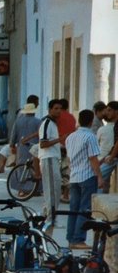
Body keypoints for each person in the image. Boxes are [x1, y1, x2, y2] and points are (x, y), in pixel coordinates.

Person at [64, 109, 107, 249]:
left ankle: (71, 238)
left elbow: (70, 159)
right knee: (85, 209)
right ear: (90, 121)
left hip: (75, 176)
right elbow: (93, 158)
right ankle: (78, 239)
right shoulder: (90, 137)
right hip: (87, 176)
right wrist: (100, 177)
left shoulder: (71, 137)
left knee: (73, 209)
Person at [38, 99, 65, 234]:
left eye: (60, 108)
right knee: (52, 190)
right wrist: (59, 140)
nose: (58, 111)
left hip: (53, 158)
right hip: (48, 159)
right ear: (49, 109)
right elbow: (43, 143)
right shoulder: (47, 123)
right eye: (56, 108)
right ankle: (51, 218)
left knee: (56, 189)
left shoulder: (53, 124)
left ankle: (46, 215)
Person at [9, 101, 41, 167]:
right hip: (34, 147)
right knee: (34, 166)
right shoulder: (38, 122)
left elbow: (13, 134)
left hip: (21, 147)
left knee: (21, 166)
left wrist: (12, 146)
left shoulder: (18, 121)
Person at [57, 98, 77, 203]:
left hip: (57, 145)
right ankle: (65, 195)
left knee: (56, 171)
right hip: (68, 146)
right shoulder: (72, 117)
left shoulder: (57, 117)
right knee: (67, 171)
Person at [98, 101, 118, 191]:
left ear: (116, 111)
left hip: (114, 157)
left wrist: (111, 156)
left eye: (109, 110)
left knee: (99, 177)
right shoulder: (116, 125)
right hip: (112, 156)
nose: (107, 113)